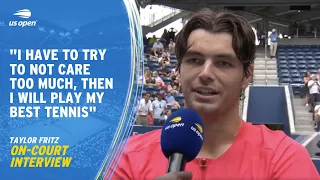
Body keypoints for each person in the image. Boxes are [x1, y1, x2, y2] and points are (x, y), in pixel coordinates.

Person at [109, 9, 319, 180]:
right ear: (179, 71)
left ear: (247, 75)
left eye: (223, 63)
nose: (206, 73)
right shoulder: (127, 157)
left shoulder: (282, 158)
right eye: (194, 60)